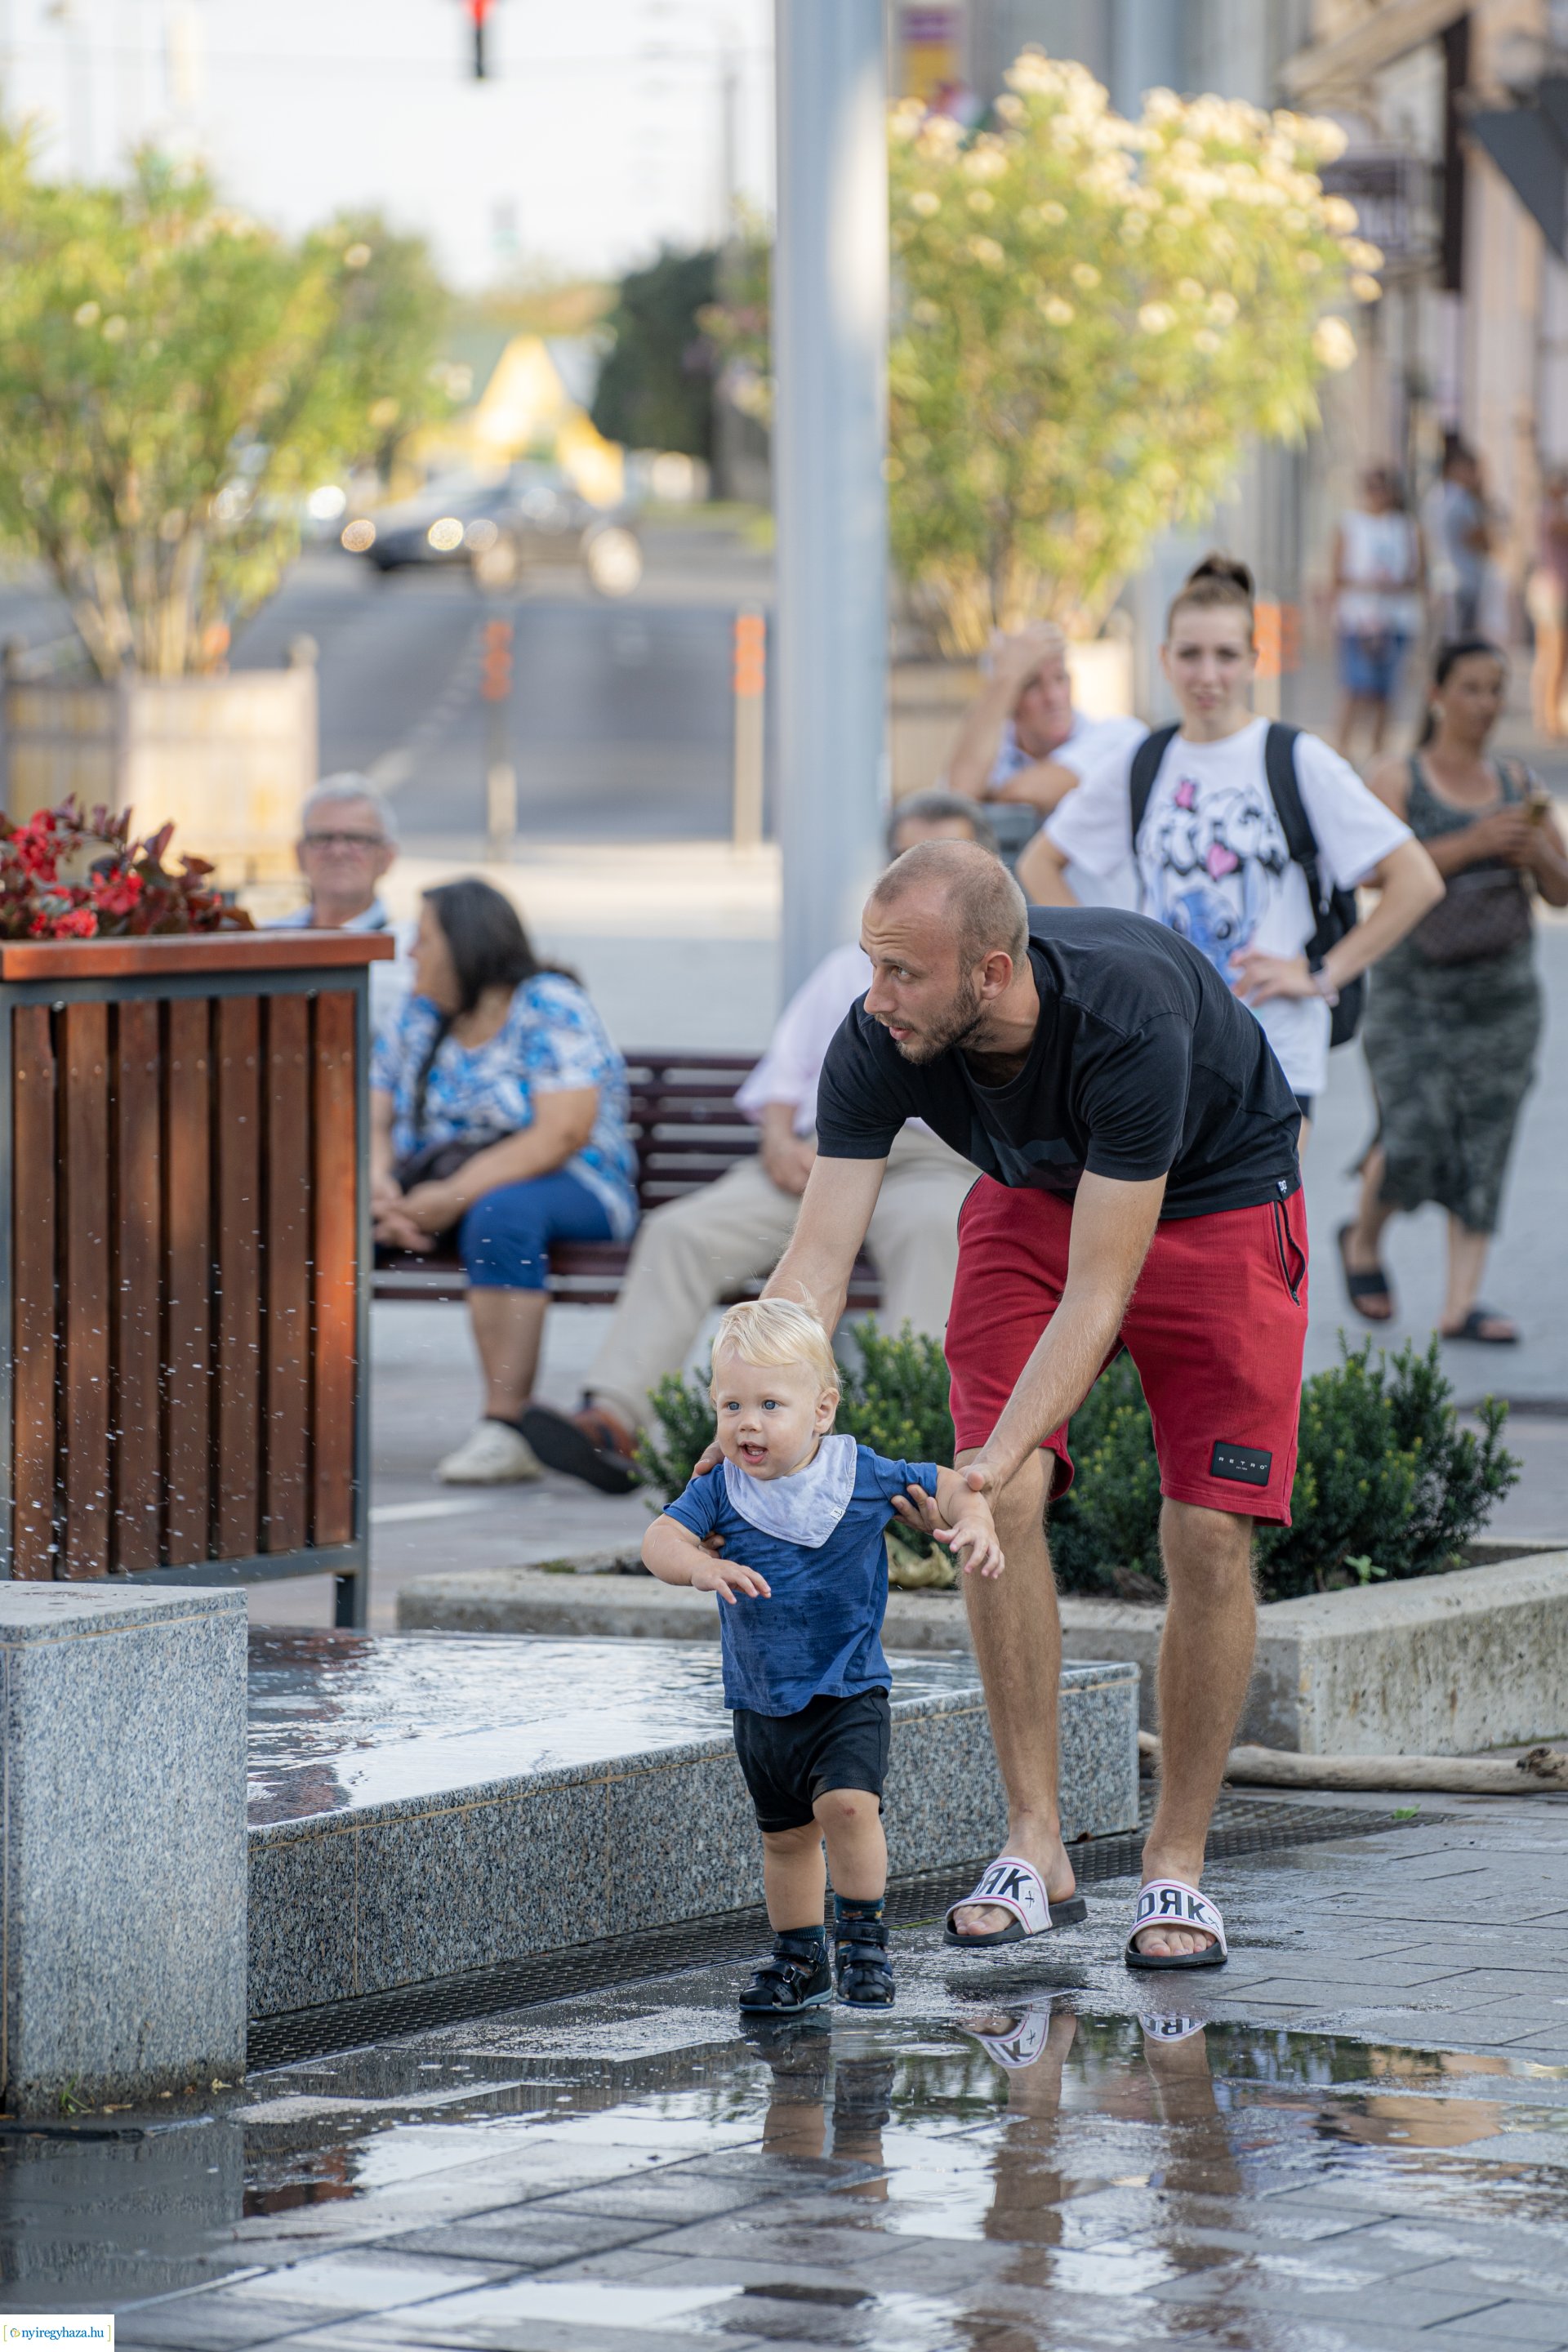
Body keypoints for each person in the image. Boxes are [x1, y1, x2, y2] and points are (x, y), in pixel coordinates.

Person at [754, 840, 1344, 1969]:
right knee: (1006, 1500)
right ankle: (1038, 1845)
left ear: (990, 972)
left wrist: (976, 1468)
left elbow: (1100, 1292)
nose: (873, 999)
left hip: (1215, 1202)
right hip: (1037, 1201)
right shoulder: (879, 1035)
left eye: (902, 974)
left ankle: (1174, 1866)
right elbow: (817, 1259)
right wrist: (752, 1404)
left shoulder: (1128, 1016)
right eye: (870, 967)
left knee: (1209, 1532)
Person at [519, 793, 991, 1495]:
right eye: (908, 862)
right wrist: (776, 1140)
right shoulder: (844, 969)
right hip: (819, 1154)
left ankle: (900, 1447)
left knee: (935, 1234)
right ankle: (614, 1418)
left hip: (929, 1162)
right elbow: (785, 1075)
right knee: (682, 1231)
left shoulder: (985, 976)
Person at [642, 1298, 1003, 2013]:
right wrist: (698, 1567)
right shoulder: (720, 1490)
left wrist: (977, 1519)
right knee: (784, 1841)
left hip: (847, 1689)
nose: (748, 1422)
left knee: (846, 1807)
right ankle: (800, 1957)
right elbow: (658, 1539)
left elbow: (949, 1483)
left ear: (822, 1409)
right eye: (731, 1404)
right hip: (762, 1699)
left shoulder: (857, 1474)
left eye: (771, 1403)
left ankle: (864, 1941)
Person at [1020, 555, 1443, 1128]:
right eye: (1190, 654)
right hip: (1159, 1048)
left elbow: (1416, 879)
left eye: (1225, 655)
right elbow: (1041, 862)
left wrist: (1321, 973)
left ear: (1254, 661)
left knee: (1263, 1219)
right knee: (1161, 1219)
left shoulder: (1296, 758)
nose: (1207, 674)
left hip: (1276, 1051)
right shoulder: (1141, 761)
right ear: (1165, 659)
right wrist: (1111, 963)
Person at [370, 878, 637, 1484]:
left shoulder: (549, 1004)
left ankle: (506, 1428)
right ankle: (289, 1419)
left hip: (573, 1184)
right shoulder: (418, 1012)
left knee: (501, 1215)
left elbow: (561, 1133)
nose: (411, 953)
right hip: (430, 1189)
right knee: (319, 1223)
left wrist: (455, 1196)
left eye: (426, 939)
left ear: (467, 944)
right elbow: (375, 1115)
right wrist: (378, 1186)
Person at [1340, 638, 1568, 1345]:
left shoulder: (1516, 782)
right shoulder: (1398, 777)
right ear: (1438, 694)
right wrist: (1471, 843)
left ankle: (1460, 1304)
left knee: (1486, 1142)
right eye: (1471, 687)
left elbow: (1560, 895)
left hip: (1502, 996)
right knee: (1412, 1133)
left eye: (1497, 689)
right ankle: (1363, 1240)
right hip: (1413, 992)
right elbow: (1370, 872)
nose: (1487, 703)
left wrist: (1536, 850)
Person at [946, 619, 1147, 901]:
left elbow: (1030, 792)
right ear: (1009, 698)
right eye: (1032, 685)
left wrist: (986, 796)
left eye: (1060, 678)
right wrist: (1005, 677)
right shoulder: (995, 748)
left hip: (1109, 933)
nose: (1053, 697)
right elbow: (959, 796)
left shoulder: (1120, 735)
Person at [270, 775, 409, 1031]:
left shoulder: (412, 952)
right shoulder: (263, 939)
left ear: (387, 857)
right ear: (299, 855)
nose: (338, 852)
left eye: (356, 839)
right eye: (323, 838)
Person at [1332, 466, 1424, 760]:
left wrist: (1395, 584)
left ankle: (1378, 754)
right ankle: (1342, 752)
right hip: (1358, 620)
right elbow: (1336, 573)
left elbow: (1418, 574)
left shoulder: (1406, 528)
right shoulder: (1350, 524)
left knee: (1386, 692)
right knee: (1356, 688)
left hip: (1395, 619)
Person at [1422, 439, 1491, 639]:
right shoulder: (1462, 498)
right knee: (1460, 643)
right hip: (1462, 579)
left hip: (1438, 578)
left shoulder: (1433, 496)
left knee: (1443, 639)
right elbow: (1479, 539)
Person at [1527, 469, 1568, 740]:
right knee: (1556, 656)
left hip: (1547, 587)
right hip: (1555, 590)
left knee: (1547, 655)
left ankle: (1546, 715)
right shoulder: (1553, 515)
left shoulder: (1544, 512)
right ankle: (1551, 718)